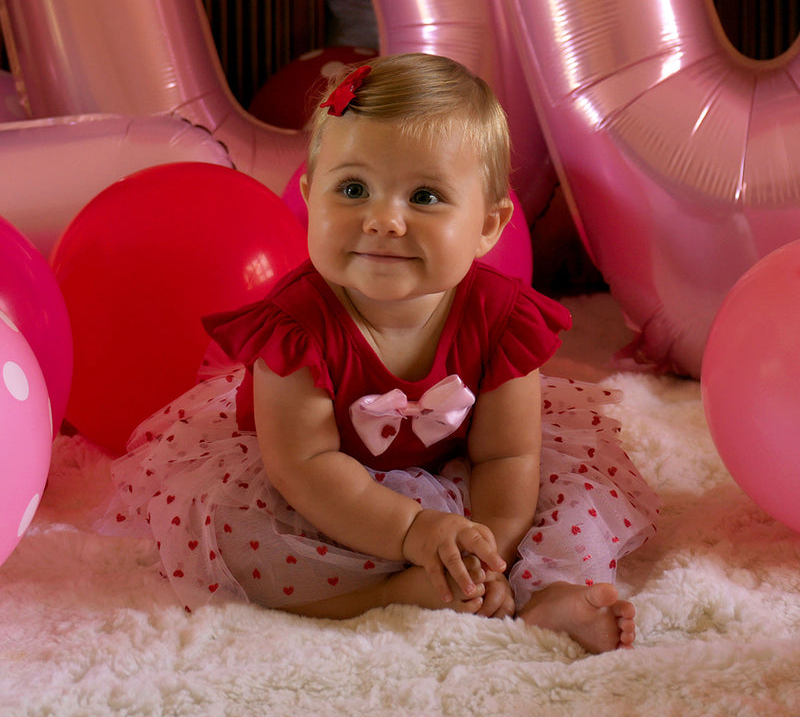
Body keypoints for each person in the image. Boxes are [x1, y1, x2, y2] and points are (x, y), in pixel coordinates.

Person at [102, 53, 659, 654]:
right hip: (326, 485)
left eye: (423, 196)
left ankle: (547, 593)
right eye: (353, 189)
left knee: (570, 493)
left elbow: (506, 455)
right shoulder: (296, 327)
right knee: (242, 531)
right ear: (311, 197)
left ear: (489, 226)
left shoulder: (504, 320)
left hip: (468, 470)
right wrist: (415, 531)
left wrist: (482, 551)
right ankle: (387, 596)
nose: (383, 220)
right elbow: (306, 465)